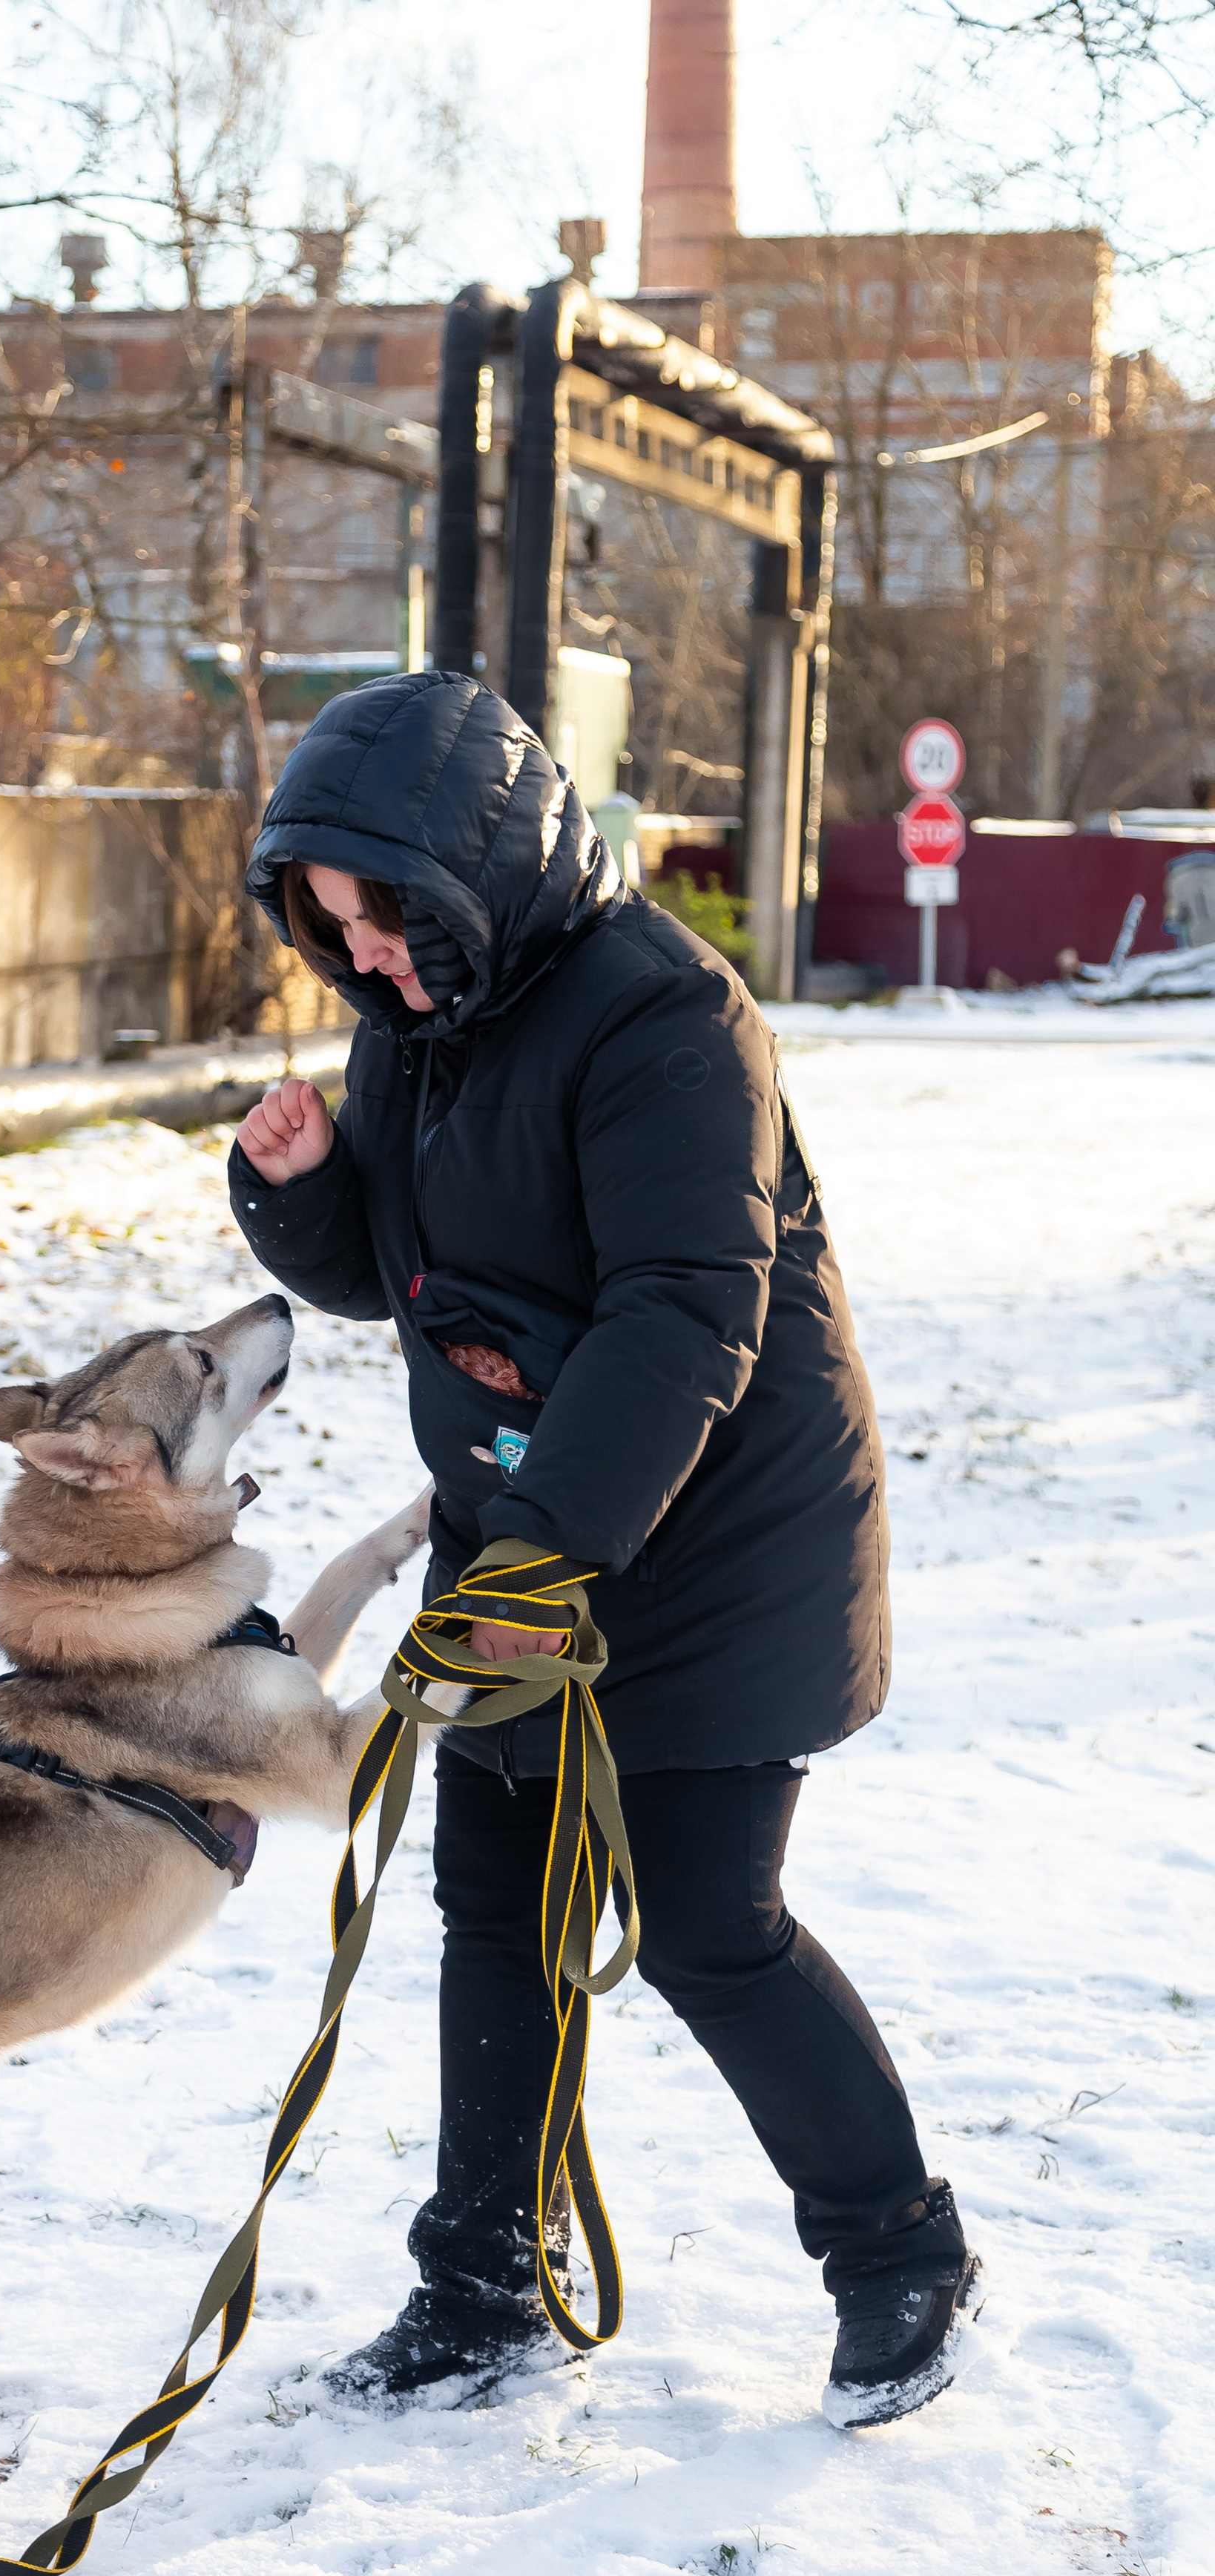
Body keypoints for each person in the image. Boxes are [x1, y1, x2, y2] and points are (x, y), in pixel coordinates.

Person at [229, 671, 978, 2428]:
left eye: (388, 921)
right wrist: (303, 1189)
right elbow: (406, 1279)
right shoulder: (417, 1013)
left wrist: (544, 1549)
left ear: (472, 873)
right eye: (336, 932)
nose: (368, 961)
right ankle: (479, 2281)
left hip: (713, 1546)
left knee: (707, 1927)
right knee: (494, 1911)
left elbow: (678, 1309)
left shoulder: (663, 1013)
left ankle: (898, 2255)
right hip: (525, 1529)